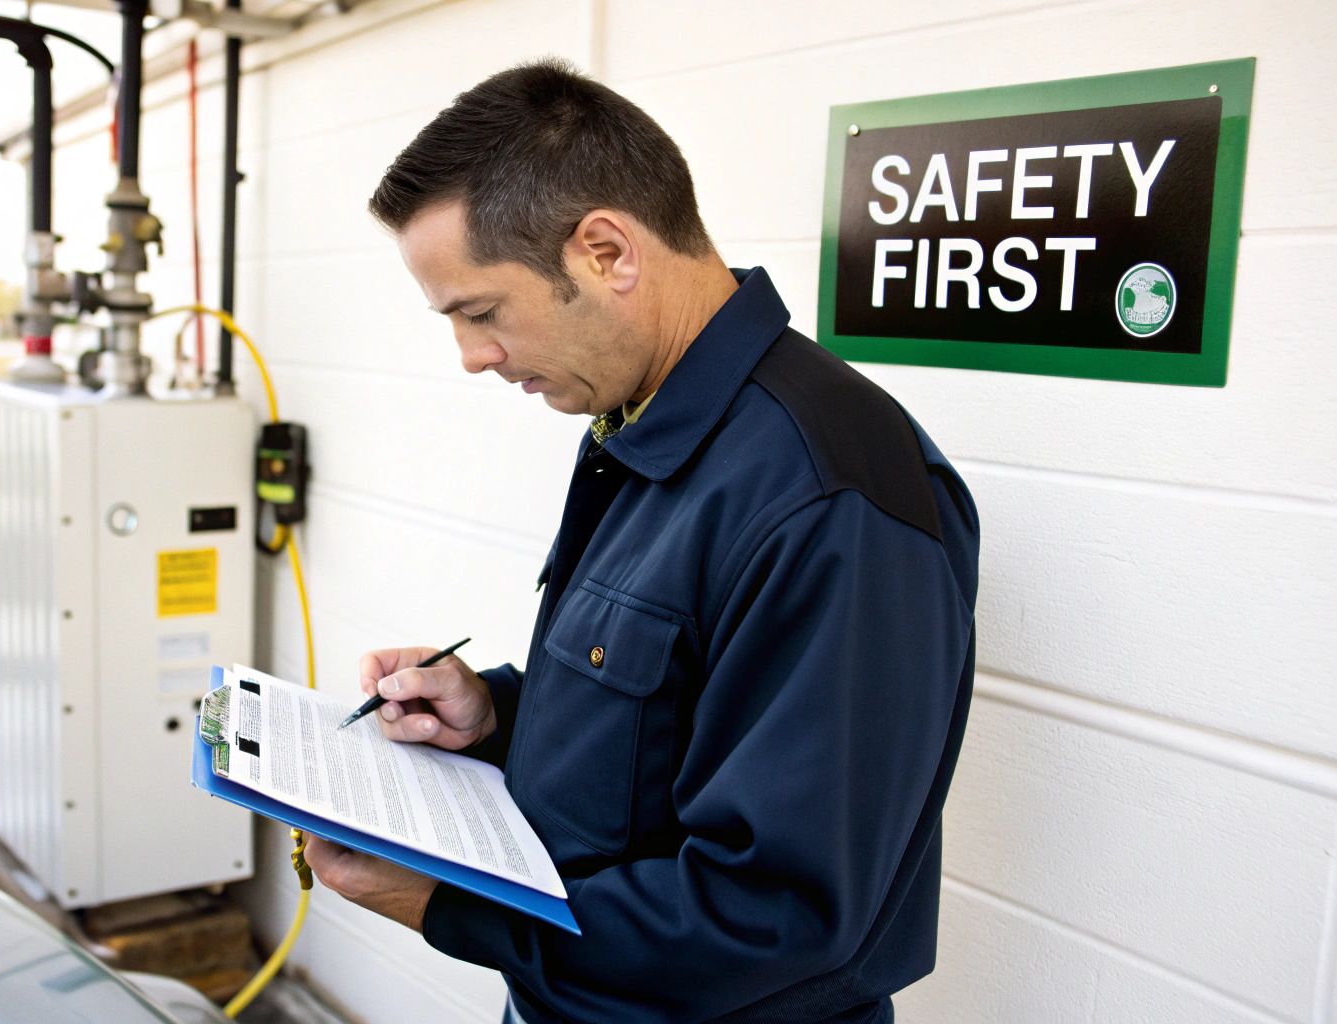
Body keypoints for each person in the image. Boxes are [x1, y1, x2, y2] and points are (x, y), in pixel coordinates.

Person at [303, 58, 980, 1024]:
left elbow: (771, 915)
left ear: (606, 251)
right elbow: (669, 733)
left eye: (482, 312)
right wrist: (493, 717)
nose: (472, 357)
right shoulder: (644, 420)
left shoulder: (826, 496)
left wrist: (448, 905)